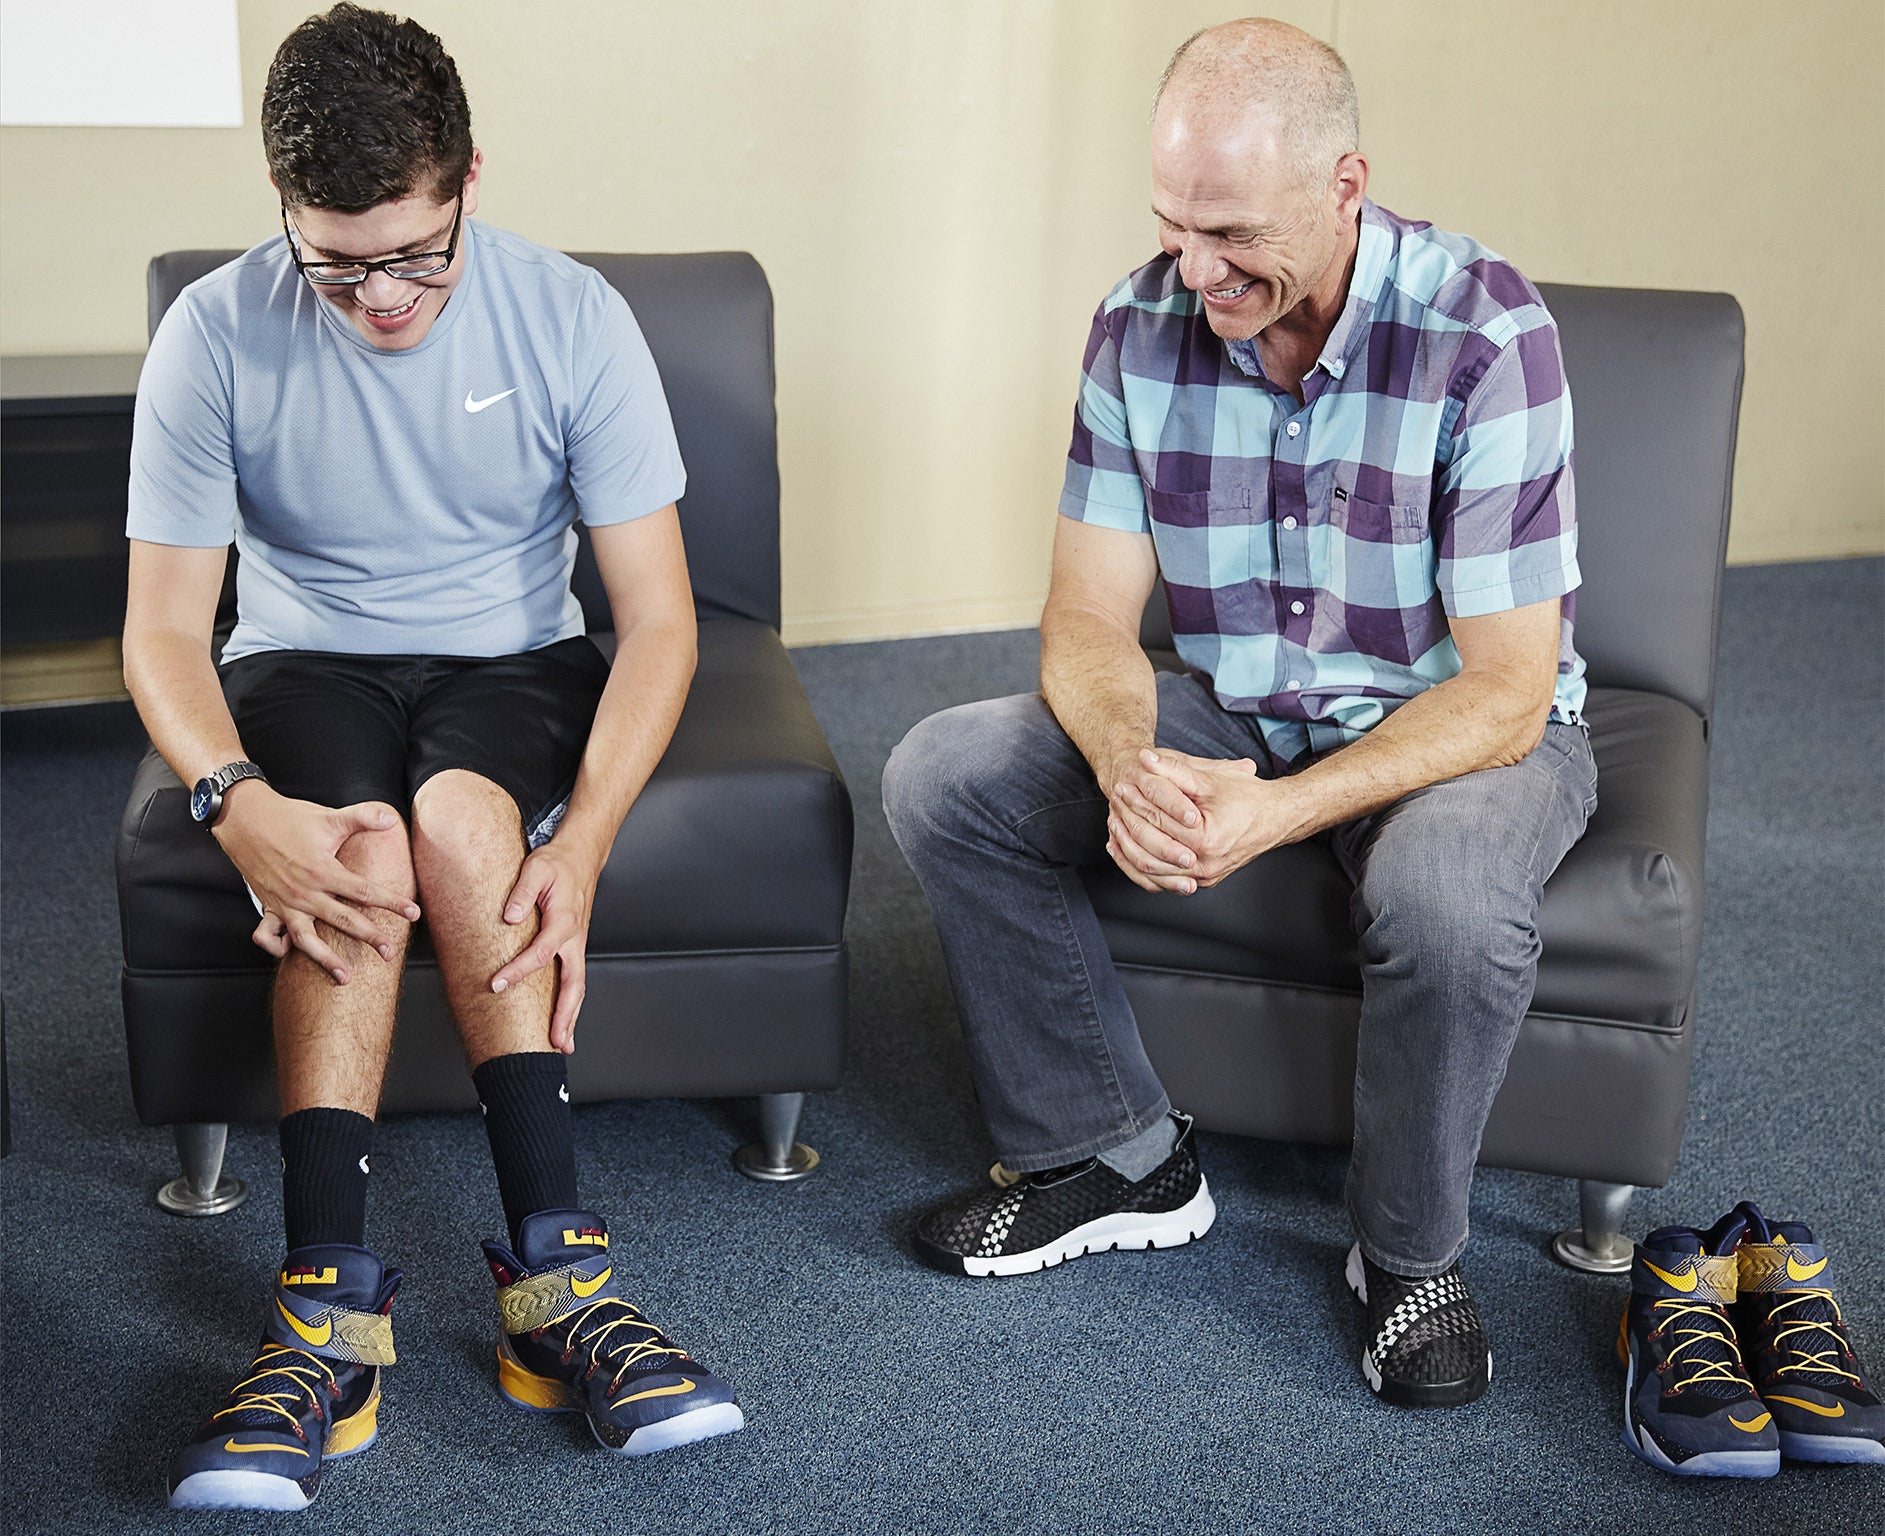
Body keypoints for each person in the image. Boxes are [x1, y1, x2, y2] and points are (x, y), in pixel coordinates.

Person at [883, 17, 1595, 1409]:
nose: (1193, 271)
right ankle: (1111, 1155)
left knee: (1449, 903)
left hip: (1455, 733)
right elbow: (1087, 621)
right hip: (1239, 711)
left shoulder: (1484, 333)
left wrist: (1273, 814)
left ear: (1344, 186)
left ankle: (1405, 1259)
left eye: (1230, 235)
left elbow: (1508, 690)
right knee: (943, 774)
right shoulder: (1137, 322)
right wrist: (1128, 762)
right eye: (1170, 225)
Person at [124, 5, 741, 1511]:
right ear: (284, 211)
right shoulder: (214, 329)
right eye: (337, 263)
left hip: (508, 655)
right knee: (355, 852)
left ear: (468, 175)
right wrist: (234, 801)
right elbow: (160, 634)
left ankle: (559, 1297)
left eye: (414, 254)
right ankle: (322, 1328)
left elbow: (657, 619)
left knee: (469, 830)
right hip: (304, 656)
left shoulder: (569, 314)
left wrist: (581, 841)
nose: (381, 296)